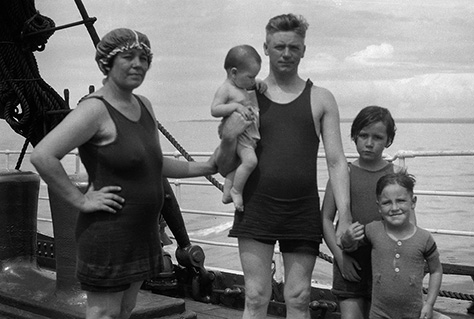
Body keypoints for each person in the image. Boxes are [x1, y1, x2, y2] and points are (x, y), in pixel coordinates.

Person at [30, 28, 248, 319]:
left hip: (143, 234)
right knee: (104, 314)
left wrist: (208, 165)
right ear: (106, 63)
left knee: (126, 310)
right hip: (108, 234)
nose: (138, 64)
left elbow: (154, 163)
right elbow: (43, 156)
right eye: (128, 56)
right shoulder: (94, 109)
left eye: (144, 58)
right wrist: (82, 201)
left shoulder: (144, 105)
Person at [227, 14, 351, 319]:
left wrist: (344, 215)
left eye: (293, 47)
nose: (286, 53)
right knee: (255, 296)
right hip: (257, 206)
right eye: (279, 46)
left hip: (301, 209)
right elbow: (226, 155)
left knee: (299, 296)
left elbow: (337, 161)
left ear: (304, 50)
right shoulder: (246, 96)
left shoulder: (321, 98)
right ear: (266, 48)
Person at [321, 105, 405, 319]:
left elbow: (407, 223)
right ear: (354, 137)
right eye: (363, 136)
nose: (369, 143)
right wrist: (340, 258)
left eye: (377, 137)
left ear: (388, 141)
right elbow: (326, 218)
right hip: (351, 259)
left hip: (384, 262)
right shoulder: (343, 173)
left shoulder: (395, 174)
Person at [340, 172, 445, 319]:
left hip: (413, 313)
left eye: (401, 200)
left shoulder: (424, 238)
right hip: (379, 314)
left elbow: (436, 271)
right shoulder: (372, 230)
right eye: (387, 203)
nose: (394, 208)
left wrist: (429, 304)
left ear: (413, 202)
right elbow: (349, 246)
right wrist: (347, 238)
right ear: (378, 206)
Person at [210, 44, 264, 212]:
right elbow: (215, 109)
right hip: (240, 135)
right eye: (250, 77)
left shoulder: (242, 85)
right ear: (233, 73)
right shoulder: (226, 89)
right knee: (250, 161)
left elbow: (251, 86)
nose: (252, 81)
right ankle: (236, 190)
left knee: (239, 164)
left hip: (249, 134)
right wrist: (235, 107)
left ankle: (227, 193)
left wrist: (258, 83)